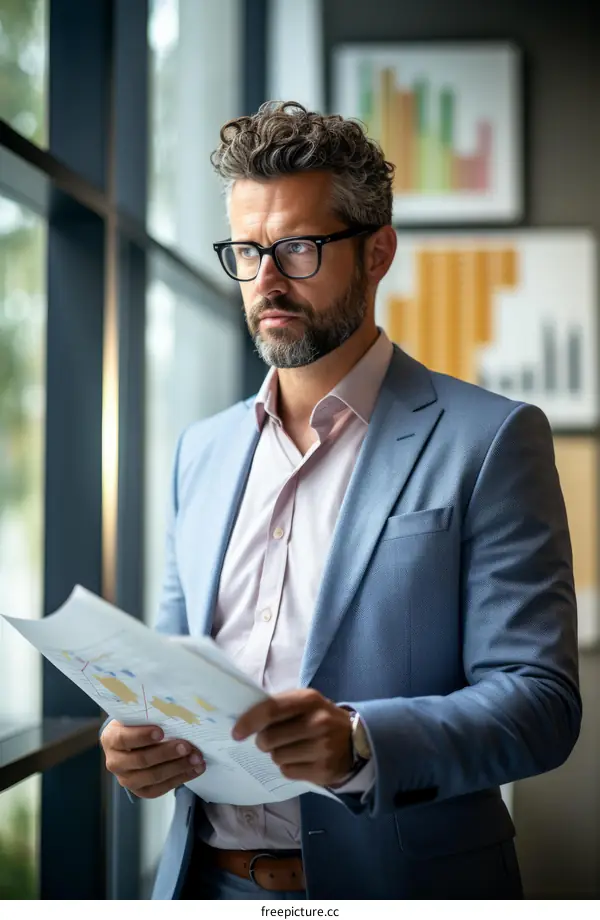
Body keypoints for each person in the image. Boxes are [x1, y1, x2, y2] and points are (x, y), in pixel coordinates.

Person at [101, 101, 581, 899]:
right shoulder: (203, 451)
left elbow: (541, 704)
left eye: (297, 247)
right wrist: (140, 744)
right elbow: (170, 667)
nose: (266, 281)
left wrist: (362, 741)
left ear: (377, 252)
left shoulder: (490, 440)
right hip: (203, 886)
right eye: (247, 252)